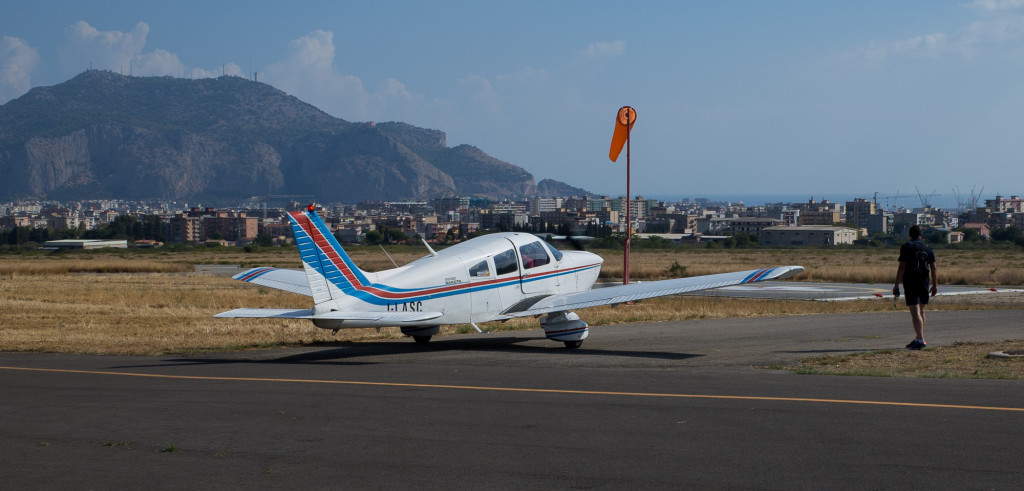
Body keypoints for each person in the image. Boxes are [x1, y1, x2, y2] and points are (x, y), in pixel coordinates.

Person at [893, 225, 937, 350]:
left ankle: (920, 339)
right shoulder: (927, 247)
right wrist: (935, 284)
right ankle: (919, 337)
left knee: (915, 311)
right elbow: (934, 267)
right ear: (921, 234)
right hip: (924, 282)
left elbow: (901, 267)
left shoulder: (907, 247)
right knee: (921, 310)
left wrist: (896, 285)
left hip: (911, 282)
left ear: (910, 235)